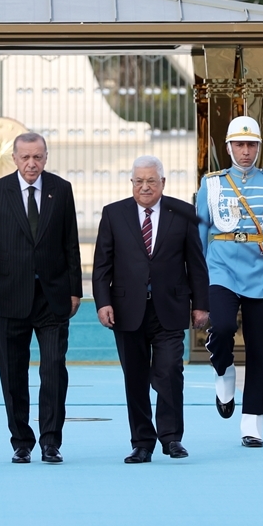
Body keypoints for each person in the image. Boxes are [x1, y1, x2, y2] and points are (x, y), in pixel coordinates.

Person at [0, 132, 82, 465]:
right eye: (25, 158)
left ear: (46, 157)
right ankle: (21, 441)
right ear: (14, 159)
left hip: (52, 298)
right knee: (13, 372)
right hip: (8, 297)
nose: (31, 164)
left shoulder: (60, 190)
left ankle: (51, 441)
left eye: (38, 157)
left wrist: (75, 289)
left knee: (53, 370)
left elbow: (71, 243)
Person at [92, 155, 209, 464]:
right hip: (127, 309)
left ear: (163, 183)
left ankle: (171, 438)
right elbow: (102, 265)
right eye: (139, 181)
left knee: (170, 371)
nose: (145, 187)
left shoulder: (182, 213)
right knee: (135, 376)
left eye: (151, 181)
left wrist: (201, 305)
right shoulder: (114, 214)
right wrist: (103, 302)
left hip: (169, 308)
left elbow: (196, 263)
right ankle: (142, 441)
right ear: (132, 183)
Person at [196, 116, 263, 447]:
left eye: (251, 145)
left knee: (259, 349)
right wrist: (195, 281)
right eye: (239, 145)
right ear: (228, 147)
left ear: (259, 148)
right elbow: (199, 234)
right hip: (221, 267)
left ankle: (253, 420)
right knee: (222, 327)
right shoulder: (210, 184)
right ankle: (223, 371)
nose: (245, 151)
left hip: (261, 271)